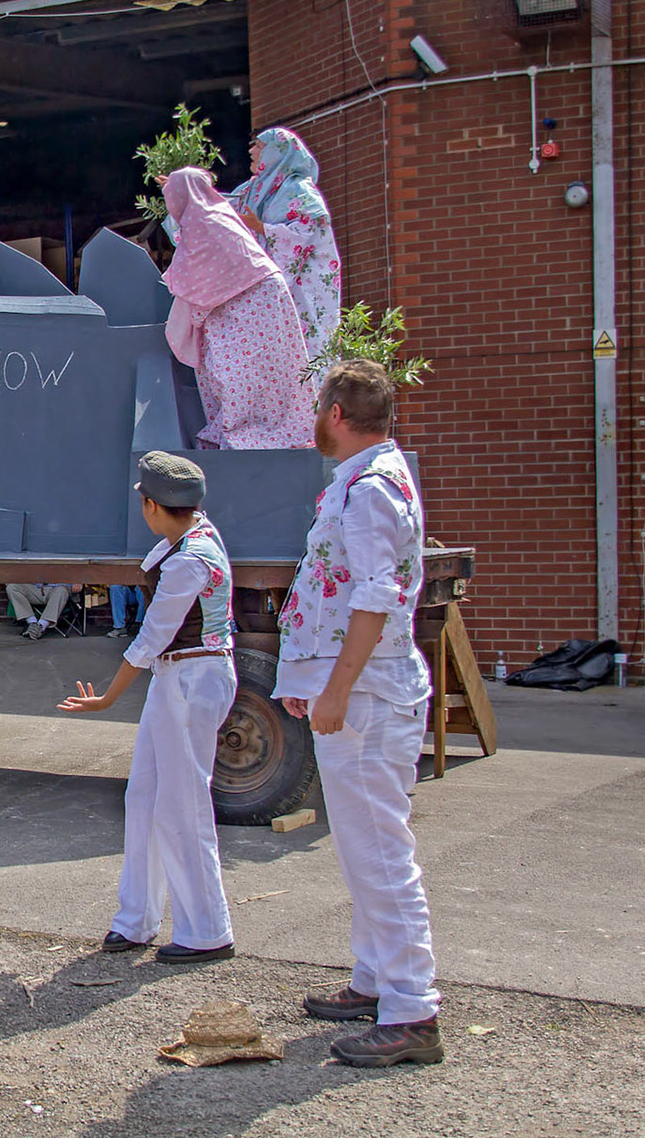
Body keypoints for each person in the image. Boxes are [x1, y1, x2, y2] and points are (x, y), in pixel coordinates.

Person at [276, 360, 443, 1068]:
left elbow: (375, 596)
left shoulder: (370, 489)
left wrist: (337, 688)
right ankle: (376, 980)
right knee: (363, 846)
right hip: (362, 688)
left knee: (379, 851)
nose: (316, 416)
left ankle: (411, 1009)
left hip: (369, 695)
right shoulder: (371, 478)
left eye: (320, 405)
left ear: (337, 413)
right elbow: (335, 590)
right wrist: (308, 676)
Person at [60, 451, 238, 964]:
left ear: (153, 505)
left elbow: (152, 635)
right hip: (179, 676)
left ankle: (207, 930)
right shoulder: (193, 537)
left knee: (182, 804)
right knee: (146, 796)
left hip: (193, 676)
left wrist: (108, 698)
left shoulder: (188, 559)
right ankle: (136, 919)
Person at [161, 168, 313, 450]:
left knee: (237, 371)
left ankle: (248, 435)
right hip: (258, 297)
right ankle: (275, 430)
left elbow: (191, 278)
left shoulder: (203, 221)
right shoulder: (218, 214)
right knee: (266, 369)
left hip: (249, 301)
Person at [233, 127, 343, 369]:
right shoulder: (252, 190)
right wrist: (185, 190)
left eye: (259, 146)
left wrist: (262, 228)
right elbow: (220, 207)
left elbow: (308, 230)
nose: (251, 151)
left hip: (301, 288)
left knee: (305, 351)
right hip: (268, 290)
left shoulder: (298, 188)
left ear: (277, 152)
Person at [6, 582, 73, 641]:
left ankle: (41, 625)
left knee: (62, 590)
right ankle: (32, 623)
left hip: (57, 588)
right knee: (12, 587)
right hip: (34, 588)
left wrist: (78, 582)